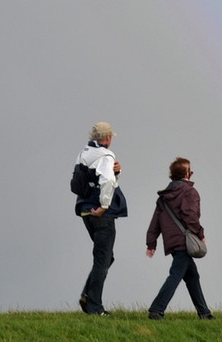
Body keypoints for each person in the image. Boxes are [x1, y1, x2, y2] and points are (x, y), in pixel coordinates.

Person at [145, 157, 214, 320]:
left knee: (192, 276)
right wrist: (200, 234)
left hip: (172, 241)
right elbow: (190, 216)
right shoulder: (189, 192)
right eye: (190, 170)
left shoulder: (164, 197)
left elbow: (155, 221)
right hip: (184, 241)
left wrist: (151, 243)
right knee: (176, 274)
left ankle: (204, 313)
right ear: (187, 174)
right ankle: (156, 310)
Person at [75, 121, 127, 316]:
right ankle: (95, 307)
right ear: (107, 138)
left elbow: (80, 182)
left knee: (105, 257)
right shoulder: (106, 155)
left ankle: (87, 295)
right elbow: (107, 182)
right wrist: (104, 206)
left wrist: (117, 172)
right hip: (100, 213)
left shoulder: (83, 153)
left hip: (85, 211)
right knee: (103, 258)